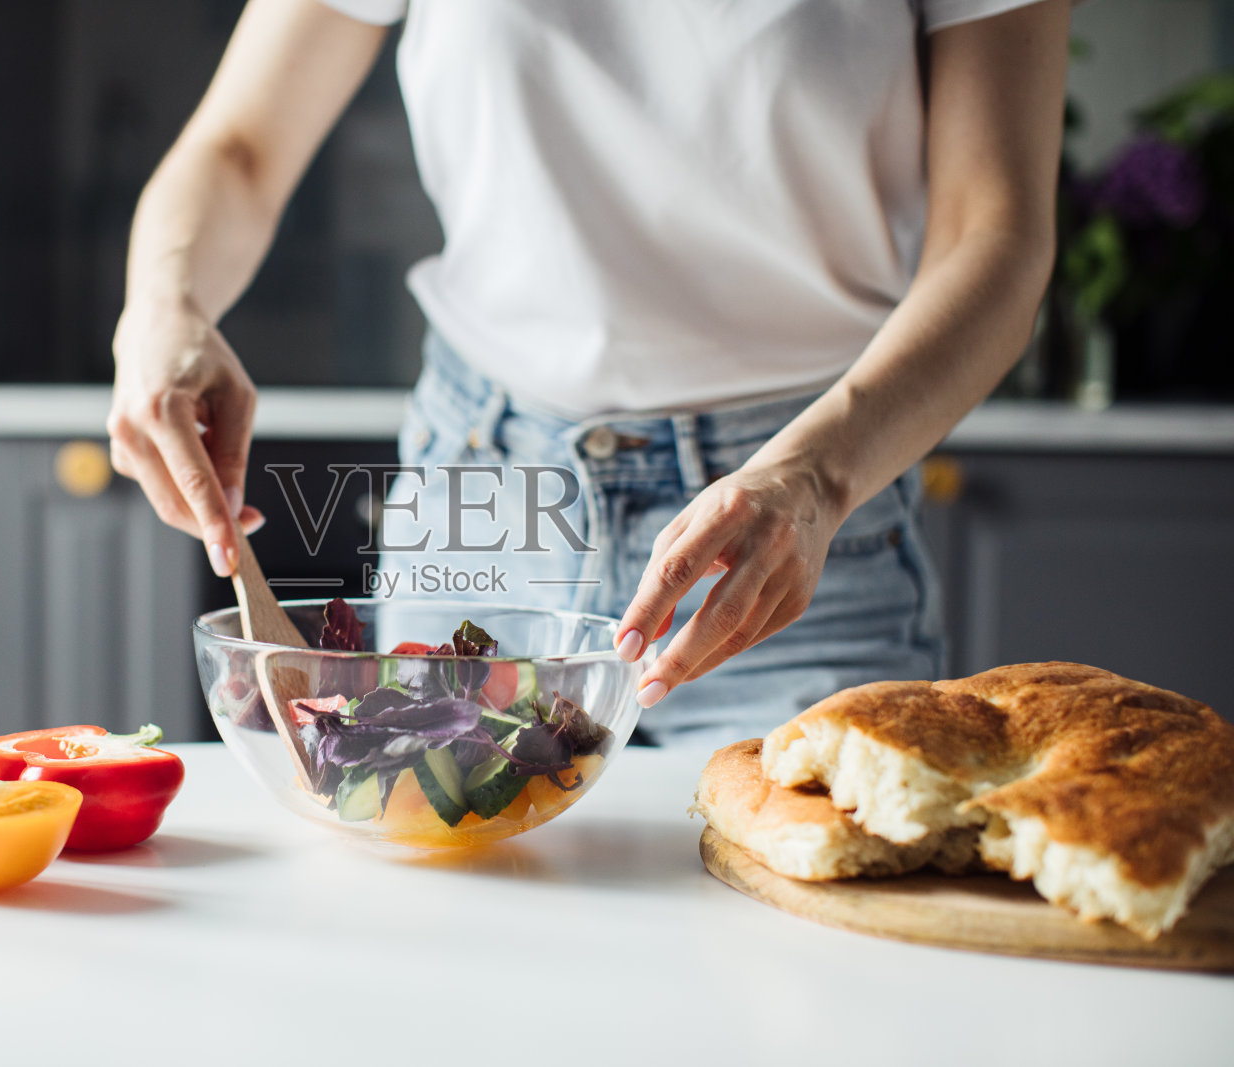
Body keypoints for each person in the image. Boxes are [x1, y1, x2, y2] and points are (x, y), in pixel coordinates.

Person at [108, 0, 1071, 749]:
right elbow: (238, 149)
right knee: (450, 933)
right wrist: (165, 304)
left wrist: (815, 477)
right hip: (487, 491)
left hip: (796, 511)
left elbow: (997, 238)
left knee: (824, 938)